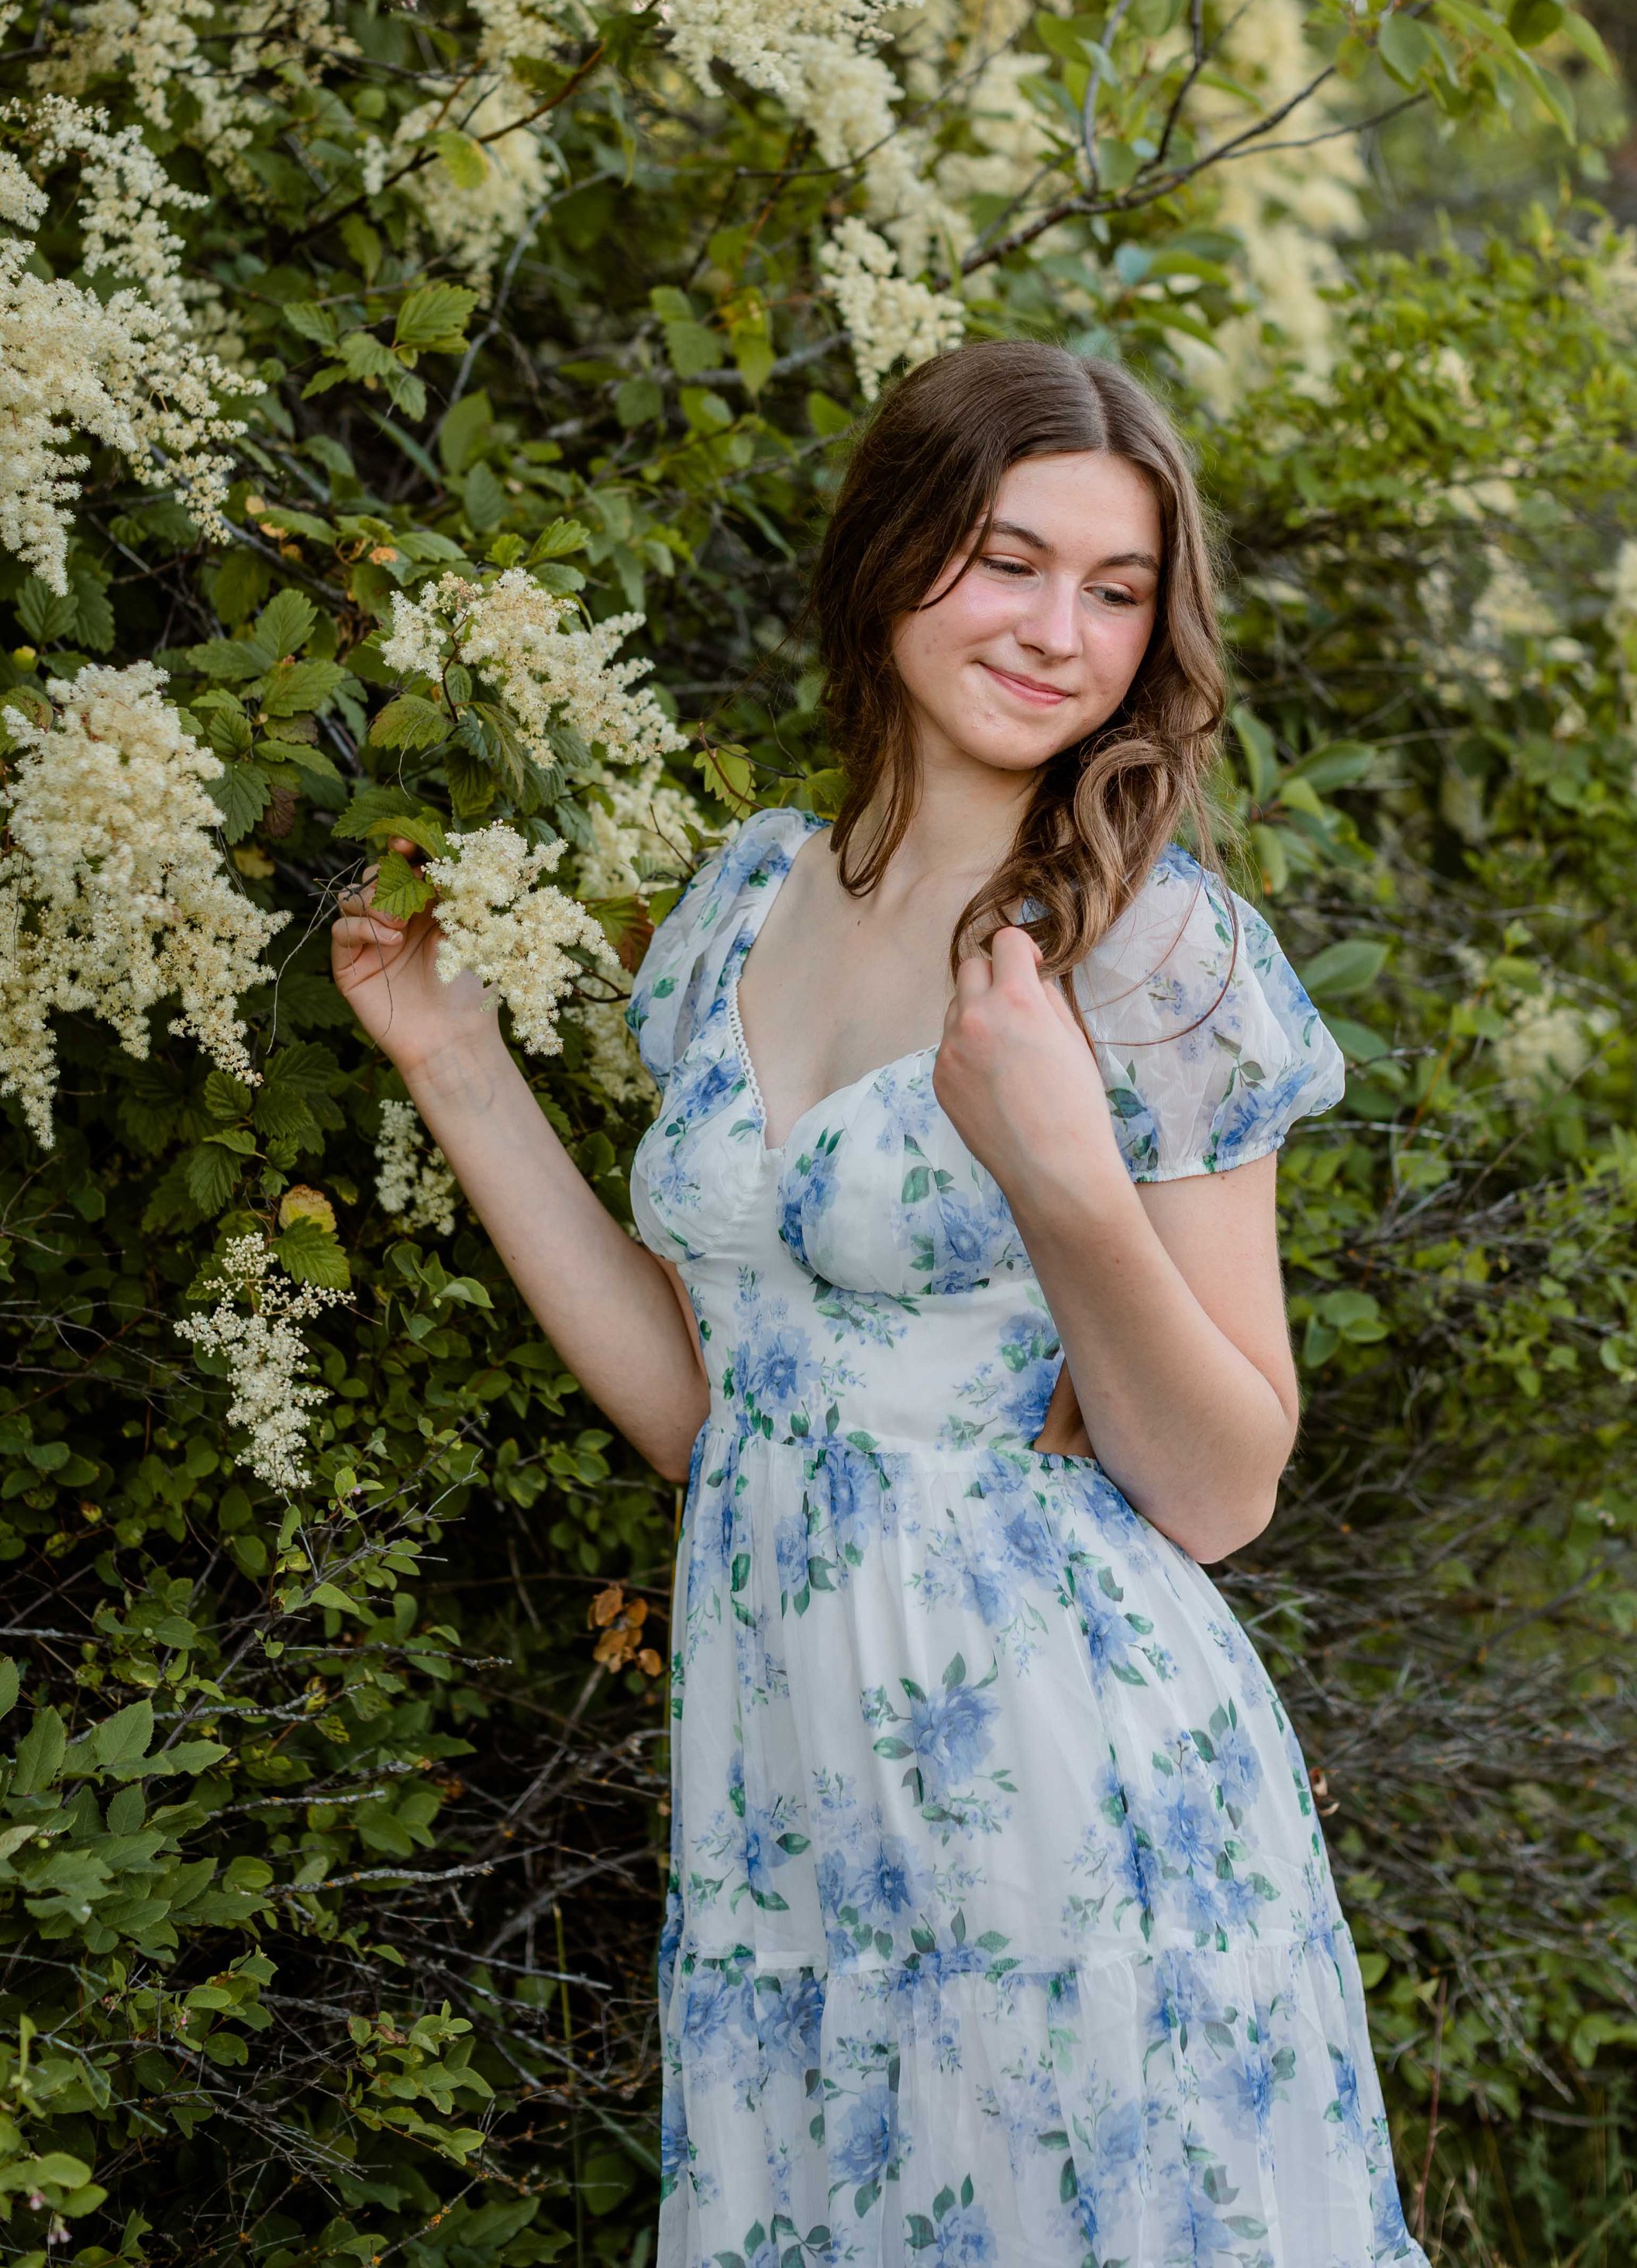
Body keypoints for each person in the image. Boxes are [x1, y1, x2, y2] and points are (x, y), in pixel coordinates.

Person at [333, 340, 1425, 2268]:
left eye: (1113, 590)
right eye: (1009, 560)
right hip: (786, 1756)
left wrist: (1063, 1173)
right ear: (887, 554)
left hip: (1060, 1759)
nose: (1057, 632)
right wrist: (450, 1062)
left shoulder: (1153, 950)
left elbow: (1223, 1484)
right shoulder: (748, 901)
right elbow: (716, 1415)